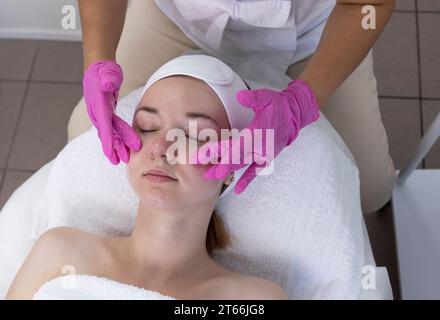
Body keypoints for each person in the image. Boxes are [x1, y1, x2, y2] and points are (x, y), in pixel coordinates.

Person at [71, 0, 396, 214]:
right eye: (147, 125)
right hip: (179, 18)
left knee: (369, 189)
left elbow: (369, 5)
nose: (161, 149)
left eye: (197, 134)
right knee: (82, 133)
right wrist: (96, 58)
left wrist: (302, 102)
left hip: (319, 31)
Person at [6, 55, 288, 300]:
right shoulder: (61, 251)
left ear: (231, 167)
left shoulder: (253, 298)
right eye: (147, 126)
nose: (160, 148)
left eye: (191, 135)